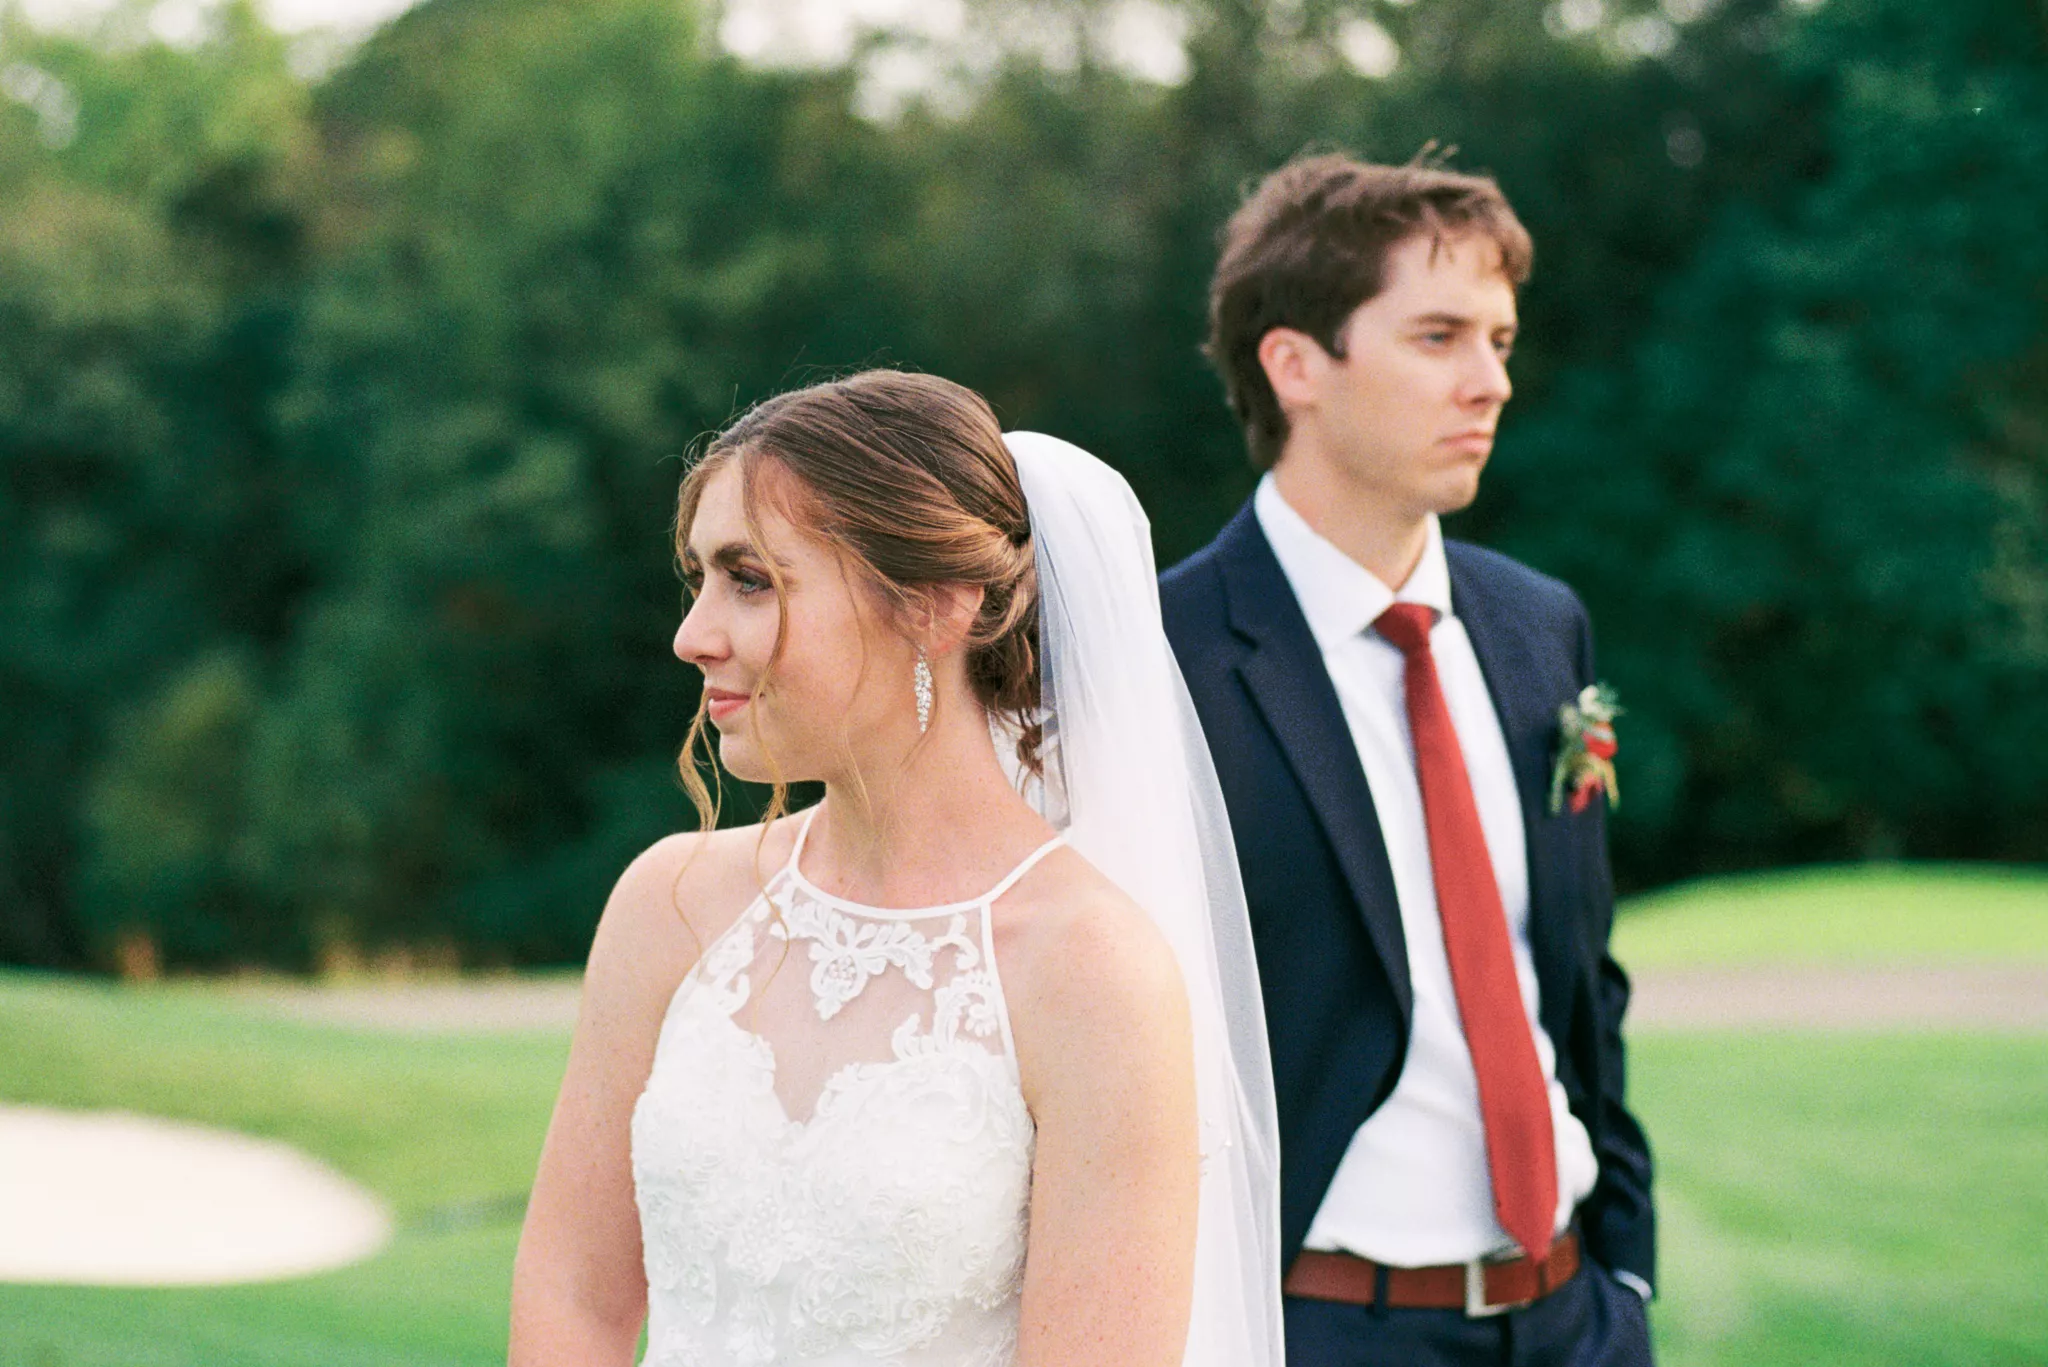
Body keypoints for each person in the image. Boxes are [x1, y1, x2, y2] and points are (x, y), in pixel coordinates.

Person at [509, 371, 1283, 1367]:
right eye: (696, 576)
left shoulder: (1091, 970)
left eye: (748, 579)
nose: (692, 634)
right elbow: (572, 1291)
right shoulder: (669, 905)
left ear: (933, 605)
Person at [1159, 153, 1657, 1366]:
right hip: (1320, 1321)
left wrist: (1625, 1271)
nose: (1489, 380)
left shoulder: (1541, 625)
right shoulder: (1158, 656)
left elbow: (1581, 979)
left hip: (1576, 1314)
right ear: (1295, 366)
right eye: (1437, 335)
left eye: (1498, 338)